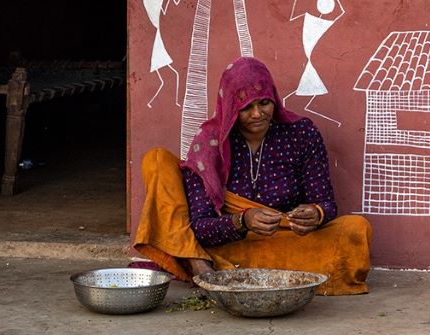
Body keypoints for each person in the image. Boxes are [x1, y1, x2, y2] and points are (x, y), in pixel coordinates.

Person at [133, 57, 371, 295]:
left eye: (264, 103)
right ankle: (197, 261)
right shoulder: (209, 144)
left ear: (274, 99)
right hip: (229, 241)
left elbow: (326, 203)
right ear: (230, 107)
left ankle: (211, 266)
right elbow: (200, 227)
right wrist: (242, 221)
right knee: (157, 160)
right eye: (246, 107)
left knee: (355, 229)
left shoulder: (302, 133)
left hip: (284, 240)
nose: (257, 114)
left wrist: (316, 214)